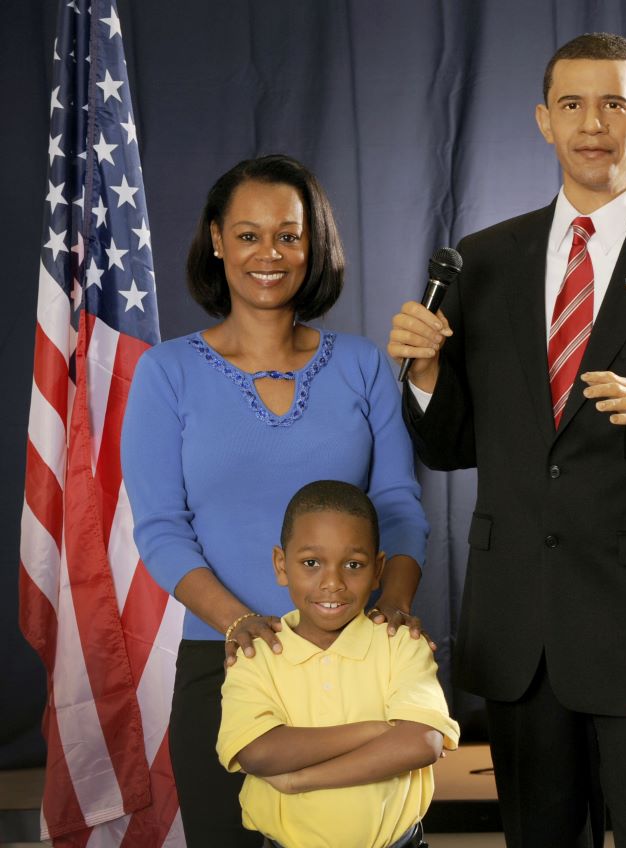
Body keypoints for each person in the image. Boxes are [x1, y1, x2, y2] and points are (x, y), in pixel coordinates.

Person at [387, 33, 626, 848]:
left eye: (614, 103)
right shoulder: (481, 261)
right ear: (543, 121)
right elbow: (452, 446)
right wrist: (424, 377)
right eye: (572, 104)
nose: (592, 123)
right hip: (518, 624)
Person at [121, 154, 430, 848]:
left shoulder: (362, 366)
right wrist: (239, 624)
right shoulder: (165, 372)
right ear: (216, 241)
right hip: (225, 661)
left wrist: (398, 608)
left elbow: (400, 506)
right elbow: (163, 529)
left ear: (313, 246)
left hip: (357, 659)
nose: (270, 254)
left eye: (288, 236)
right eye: (250, 234)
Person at [216, 481, 459, 848]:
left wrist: (301, 779)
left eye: (353, 564)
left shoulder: (399, 643)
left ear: (378, 569)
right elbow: (258, 752)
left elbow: (422, 742)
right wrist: (377, 731)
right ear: (281, 565)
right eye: (311, 563)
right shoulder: (257, 652)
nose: (332, 583)